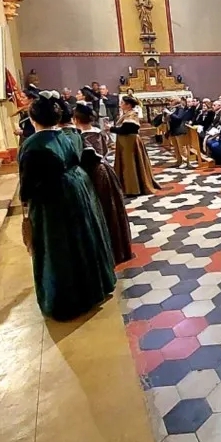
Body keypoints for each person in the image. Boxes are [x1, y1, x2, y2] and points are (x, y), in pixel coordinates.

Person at [18, 96, 117, 320]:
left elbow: (29, 184)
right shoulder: (66, 135)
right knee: (84, 237)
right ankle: (94, 288)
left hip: (53, 200)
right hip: (78, 190)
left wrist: (26, 203)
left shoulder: (34, 145)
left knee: (60, 246)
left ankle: (67, 299)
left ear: (33, 119)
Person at [73, 103, 134, 266]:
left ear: (77, 119)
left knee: (100, 210)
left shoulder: (80, 136)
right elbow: (106, 151)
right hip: (105, 171)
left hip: (92, 174)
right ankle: (119, 246)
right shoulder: (98, 132)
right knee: (111, 208)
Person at [113, 96, 160, 196]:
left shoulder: (132, 115)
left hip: (130, 144)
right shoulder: (127, 114)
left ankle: (133, 188)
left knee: (130, 165)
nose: (120, 105)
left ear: (128, 105)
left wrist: (111, 129)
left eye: (122, 103)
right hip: (126, 143)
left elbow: (127, 129)